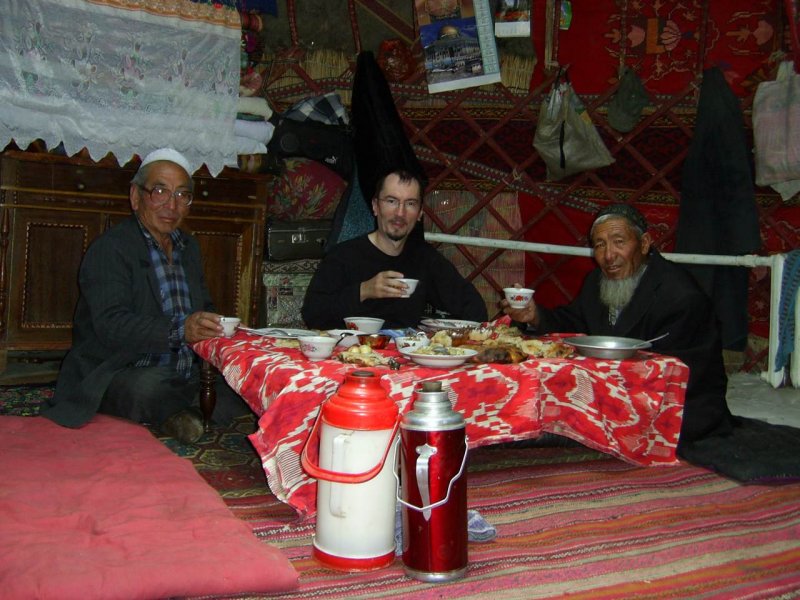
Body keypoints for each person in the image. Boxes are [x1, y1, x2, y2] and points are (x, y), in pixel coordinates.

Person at [42, 148, 246, 443]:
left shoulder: (188, 247)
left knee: (240, 381)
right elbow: (111, 326)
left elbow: (203, 306)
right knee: (149, 386)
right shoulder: (111, 249)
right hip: (122, 366)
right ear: (136, 197)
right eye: (160, 191)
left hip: (184, 366)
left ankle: (181, 415)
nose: (171, 205)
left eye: (181, 195)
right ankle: (185, 412)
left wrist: (217, 328)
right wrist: (181, 330)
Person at [501, 203, 732, 448]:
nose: (609, 255)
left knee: (555, 417)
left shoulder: (680, 296)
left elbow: (678, 374)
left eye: (619, 242)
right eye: (600, 245)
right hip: (618, 395)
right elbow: (574, 321)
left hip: (677, 409)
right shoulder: (596, 282)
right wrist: (534, 316)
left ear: (644, 244)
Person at [302, 168, 488, 329]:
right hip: (351, 360)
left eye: (410, 203)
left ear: (420, 214)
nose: (400, 213)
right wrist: (364, 290)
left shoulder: (425, 258)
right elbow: (313, 315)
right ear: (375, 206)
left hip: (407, 360)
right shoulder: (343, 256)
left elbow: (474, 309)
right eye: (391, 201)